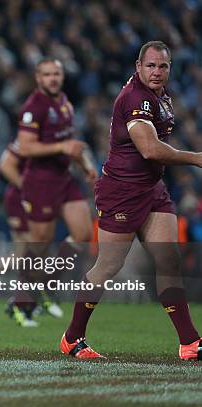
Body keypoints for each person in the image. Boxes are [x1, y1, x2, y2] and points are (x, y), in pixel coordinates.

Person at [60, 41, 202, 360]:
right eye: (150, 65)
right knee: (109, 265)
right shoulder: (136, 98)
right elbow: (149, 149)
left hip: (151, 189)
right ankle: (72, 337)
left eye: (163, 66)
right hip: (122, 191)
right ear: (138, 67)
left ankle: (190, 342)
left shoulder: (158, 96)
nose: (156, 71)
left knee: (168, 260)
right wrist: (195, 158)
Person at [14, 58, 97, 325]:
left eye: (56, 73)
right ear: (38, 78)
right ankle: (21, 299)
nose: (52, 78)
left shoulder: (65, 103)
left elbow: (68, 142)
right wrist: (62, 149)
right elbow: (25, 148)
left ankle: (47, 280)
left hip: (64, 177)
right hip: (40, 181)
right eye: (47, 74)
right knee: (40, 245)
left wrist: (85, 165)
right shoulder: (33, 107)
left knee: (83, 233)